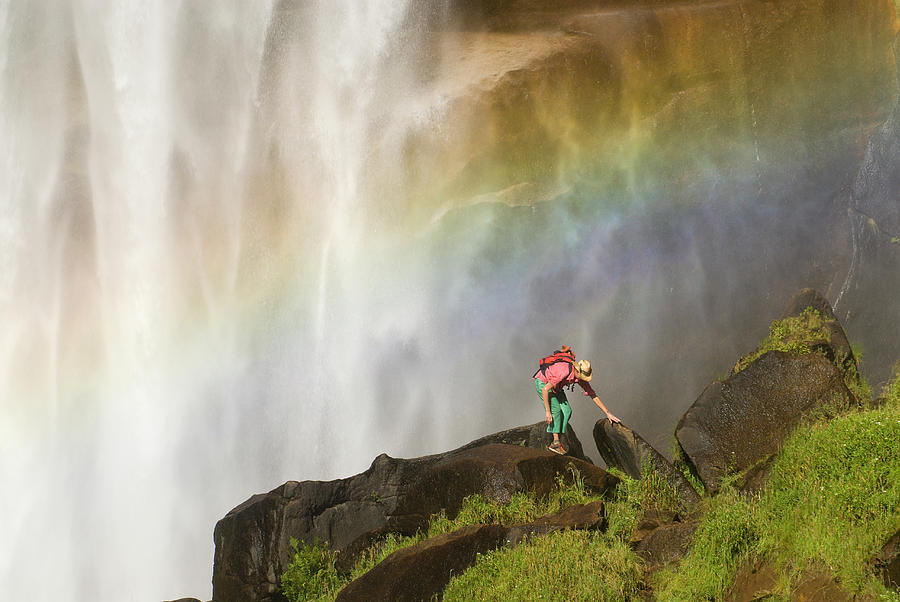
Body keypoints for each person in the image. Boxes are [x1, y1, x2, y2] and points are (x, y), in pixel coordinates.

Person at [534, 353, 621, 455]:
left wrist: (608, 413)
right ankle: (555, 443)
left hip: (556, 387)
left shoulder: (580, 378)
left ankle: (558, 435)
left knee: (567, 411)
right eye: (583, 377)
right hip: (543, 383)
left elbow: (593, 396)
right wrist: (548, 412)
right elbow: (545, 389)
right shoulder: (564, 372)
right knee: (556, 410)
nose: (584, 380)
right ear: (577, 371)